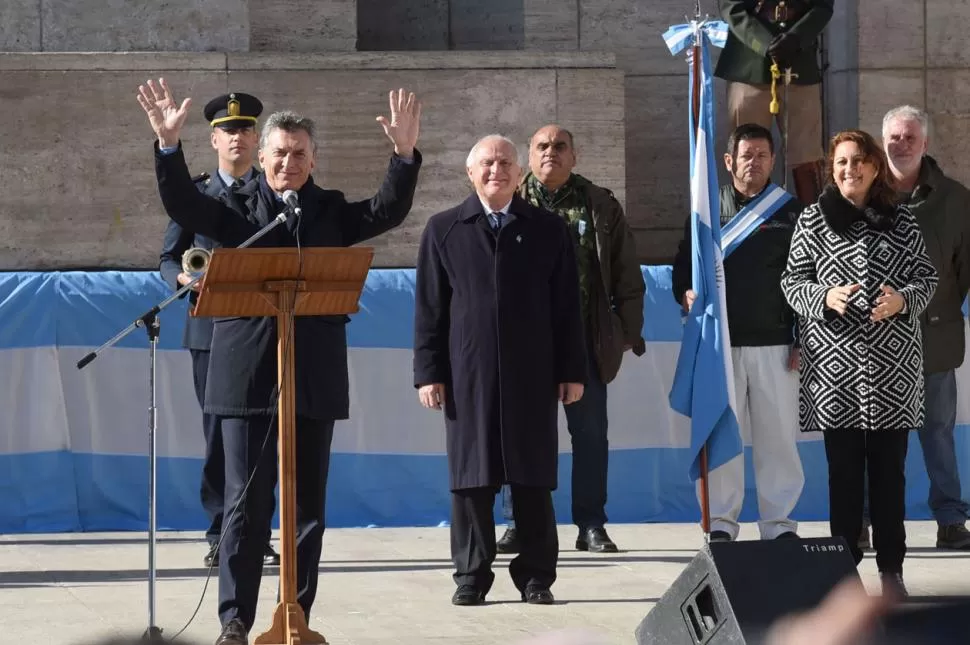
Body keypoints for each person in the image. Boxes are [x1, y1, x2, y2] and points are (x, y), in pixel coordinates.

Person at [137, 78, 423, 645]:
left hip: (311, 372)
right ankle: (235, 620)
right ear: (261, 157)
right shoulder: (234, 209)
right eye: (280, 153)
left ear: (313, 160)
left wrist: (404, 154)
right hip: (246, 374)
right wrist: (169, 147)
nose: (288, 162)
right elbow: (181, 205)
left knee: (307, 507)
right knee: (244, 503)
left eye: (299, 154)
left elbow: (386, 211)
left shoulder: (329, 212)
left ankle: (295, 615)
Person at [413, 134, 586, 606]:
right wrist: (429, 372)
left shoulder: (549, 230)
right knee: (472, 478)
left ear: (519, 172)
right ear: (470, 173)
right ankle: (471, 575)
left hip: (532, 375)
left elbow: (568, 307)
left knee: (532, 477)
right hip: (467, 374)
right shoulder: (444, 228)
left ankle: (535, 577)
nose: (497, 170)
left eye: (506, 162)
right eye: (487, 163)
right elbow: (430, 309)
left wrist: (572, 370)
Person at [780, 128, 938, 598]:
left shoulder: (903, 221)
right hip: (835, 372)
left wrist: (903, 301)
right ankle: (843, 573)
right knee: (843, 475)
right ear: (833, 168)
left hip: (893, 371)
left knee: (890, 475)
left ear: (874, 166)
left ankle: (892, 571)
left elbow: (926, 278)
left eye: (859, 161)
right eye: (842, 162)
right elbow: (792, 283)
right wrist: (823, 296)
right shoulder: (812, 220)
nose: (851, 169)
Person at [495, 124, 645, 555]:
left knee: (591, 435)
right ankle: (519, 523)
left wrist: (625, 331)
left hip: (583, 341)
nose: (551, 153)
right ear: (529, 156)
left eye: (560, 147)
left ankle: (591, 524)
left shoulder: (598, 205)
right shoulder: (509, 201)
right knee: (520, 434)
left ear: (574, 156)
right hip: (524, 342)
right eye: (542, 146)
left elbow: (626, 273)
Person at [158, 91, 280, 570]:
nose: (238, 138)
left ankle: (259, 531)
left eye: (247, 130)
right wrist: (186, 279)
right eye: (229, 131)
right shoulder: (196, 194)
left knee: (265, 434)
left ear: (258, 140)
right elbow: (169, 258)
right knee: (219, 435)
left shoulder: (276, 191)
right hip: (210, 329)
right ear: (213, 139)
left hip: (266, 327)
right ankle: (219, 531)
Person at [672, 123, 805, 542]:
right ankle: (721, 523)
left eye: (762, 155)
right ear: (729, 161)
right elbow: (683, 264)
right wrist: (686, 292)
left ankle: (779, 524)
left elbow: (807, 274)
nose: (754, 162)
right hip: (721, 348)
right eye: (746, 155)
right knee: (723, 436)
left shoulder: (791, 211)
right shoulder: (707, 210)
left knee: (778, 439)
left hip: (776, 344)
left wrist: (802, 336)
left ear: (773, 160)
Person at [880, 105, 970, 550]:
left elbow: (964, 270)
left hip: (934, 338)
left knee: (937, 433)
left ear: (926, 143)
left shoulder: (956, 200)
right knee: (872, 435)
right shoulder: (861, 194)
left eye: (910, 137)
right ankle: (864, 520)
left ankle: (951, 521)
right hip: (874, 343)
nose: (902, 144)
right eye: (894, 137)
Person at [714, 0, 833, 204]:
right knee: (748, 151)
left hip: (799, 63)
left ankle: (814, 225)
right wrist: (765, 44)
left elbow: (823, 7)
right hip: (749, 63)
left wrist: (796, 39)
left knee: (807, 155)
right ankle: (748, 223)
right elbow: (731, 8)